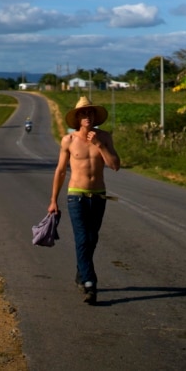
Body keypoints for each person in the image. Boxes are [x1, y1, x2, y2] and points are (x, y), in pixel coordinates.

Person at [48, 96, 120, 305]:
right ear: (78, 118)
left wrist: (99, 145)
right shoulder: (68, 141)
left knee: (92, 238)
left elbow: (115, 165)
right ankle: (89, 282)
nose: (87, 116)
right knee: (82, 238)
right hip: (76, 196)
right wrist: (53, 200)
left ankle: (81, 273)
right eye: (83, 113)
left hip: (98, 196)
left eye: (90, 113)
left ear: (95, 117)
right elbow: (61, 171)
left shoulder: (104, 137)